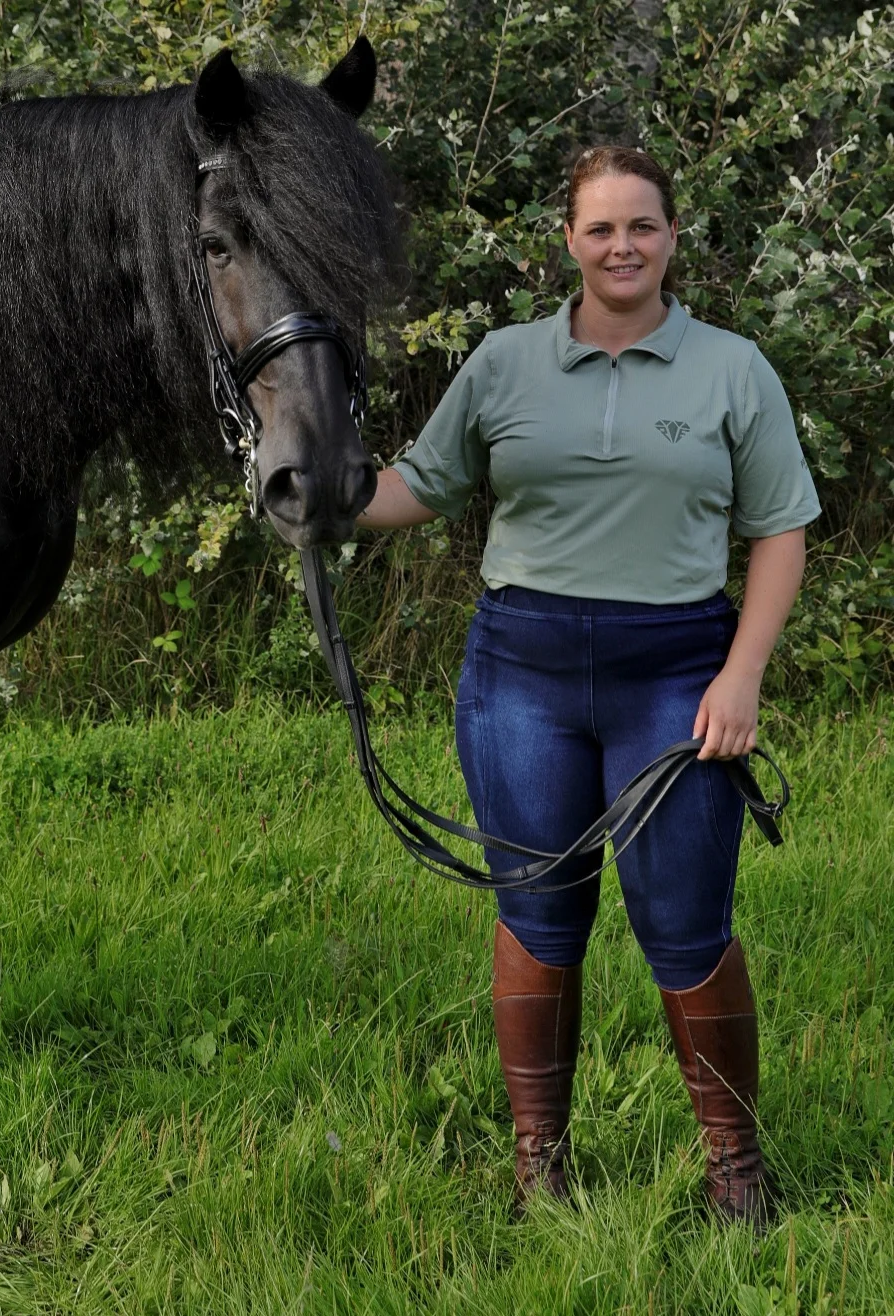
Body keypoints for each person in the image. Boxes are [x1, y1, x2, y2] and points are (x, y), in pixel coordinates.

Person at [358, 145, 820, 1229]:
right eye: (600, 228)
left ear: (671, 236)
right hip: (520, 672)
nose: (621, 247)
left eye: (641, 226)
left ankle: (735, 1175)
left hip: (678, 674)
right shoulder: (504, 362)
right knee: (536, 912)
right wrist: (310, 488)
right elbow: (418, 485)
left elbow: (780, 530)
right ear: (566, 240)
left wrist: (741, 675)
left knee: (684, 922)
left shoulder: (731, 368)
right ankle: (540, 1169)